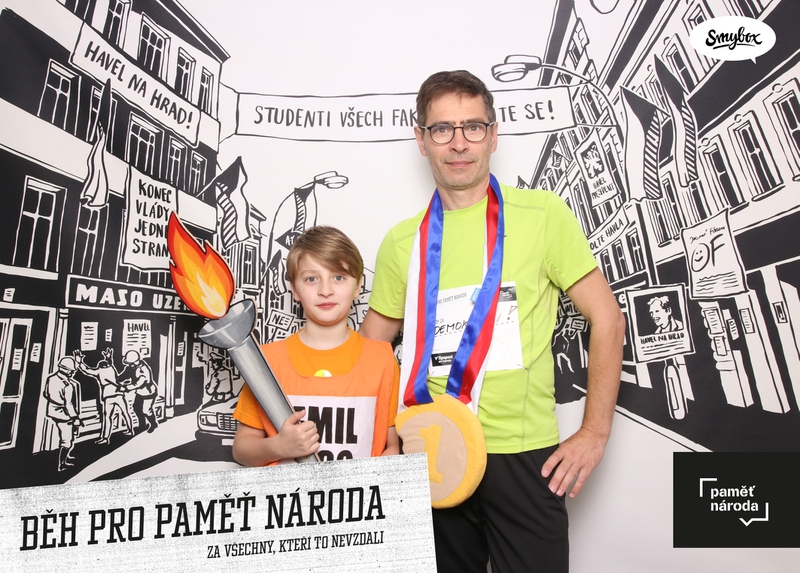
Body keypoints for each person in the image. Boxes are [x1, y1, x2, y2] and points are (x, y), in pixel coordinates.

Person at [359, 70, 626, 573]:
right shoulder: (401, 242)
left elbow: (607, 318)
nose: (458, 143)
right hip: (428, 449)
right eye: (442, 129)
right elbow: (371, 351)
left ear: (494, 134)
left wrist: (595, 432)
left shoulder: (542, 214)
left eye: (473, 127)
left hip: (523, 454)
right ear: (421, 139)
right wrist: (381, 437)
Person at [232, 226, 400, 465]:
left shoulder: (382, 359)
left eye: (338, 277)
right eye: (311, 279)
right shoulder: (266, 362)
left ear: (358, 286)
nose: (325, 291)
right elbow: (241, 449)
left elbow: (392, 445)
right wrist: (278, 446)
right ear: (295, 289)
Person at [75, 348, 134, 443]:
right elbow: (110, 362)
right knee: (125, 412)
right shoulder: (111, 368)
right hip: (118, 394)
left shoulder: (99, 371)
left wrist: (79, 362)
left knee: (108, 417)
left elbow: (86, 370)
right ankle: (130, 430)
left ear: (99, 366)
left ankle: (106, 437)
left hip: (108, 396)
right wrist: (109, 357)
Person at [43, 356, 82, 471]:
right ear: (68, 370)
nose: (73, 373)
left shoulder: (51, 378)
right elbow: (68, 404)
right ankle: (62, 464)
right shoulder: (68, 385)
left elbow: (45, 394)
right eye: (72, 371)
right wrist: (75, 418)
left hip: (53, 411)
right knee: (67, 441)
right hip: (65, 415)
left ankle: (66, 457)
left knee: (68, 437)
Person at [117, 350, 159, 433]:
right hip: (140, 392)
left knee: (146, 411)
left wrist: (126, 388)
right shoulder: (132, 367)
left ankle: (153, 424)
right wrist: (118, 379)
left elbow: (138, 384)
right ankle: (142, 425)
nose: (129, 365)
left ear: (135, 362)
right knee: (136, 408)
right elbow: (124, 375)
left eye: (130, 363)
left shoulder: (143, 370)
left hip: (148, 393)